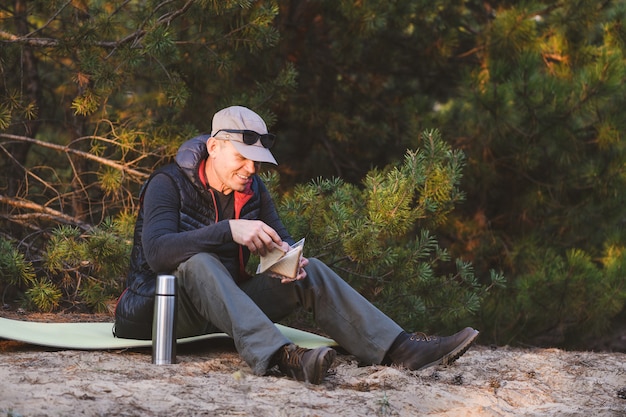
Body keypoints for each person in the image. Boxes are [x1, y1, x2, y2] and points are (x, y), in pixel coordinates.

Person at [114, 105, 479, 384]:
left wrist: (288, 261)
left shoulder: (252, 189)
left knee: (313, 270)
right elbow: (158, 253)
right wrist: (229, 230)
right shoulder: (167, 183)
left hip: (223, 309)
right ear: (213, 147)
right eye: (242, 158)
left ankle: (401, 349)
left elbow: (281, 239)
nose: (251, 170)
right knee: (198, 262)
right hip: (156, 310)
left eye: (257, 162)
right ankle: (280, 357)